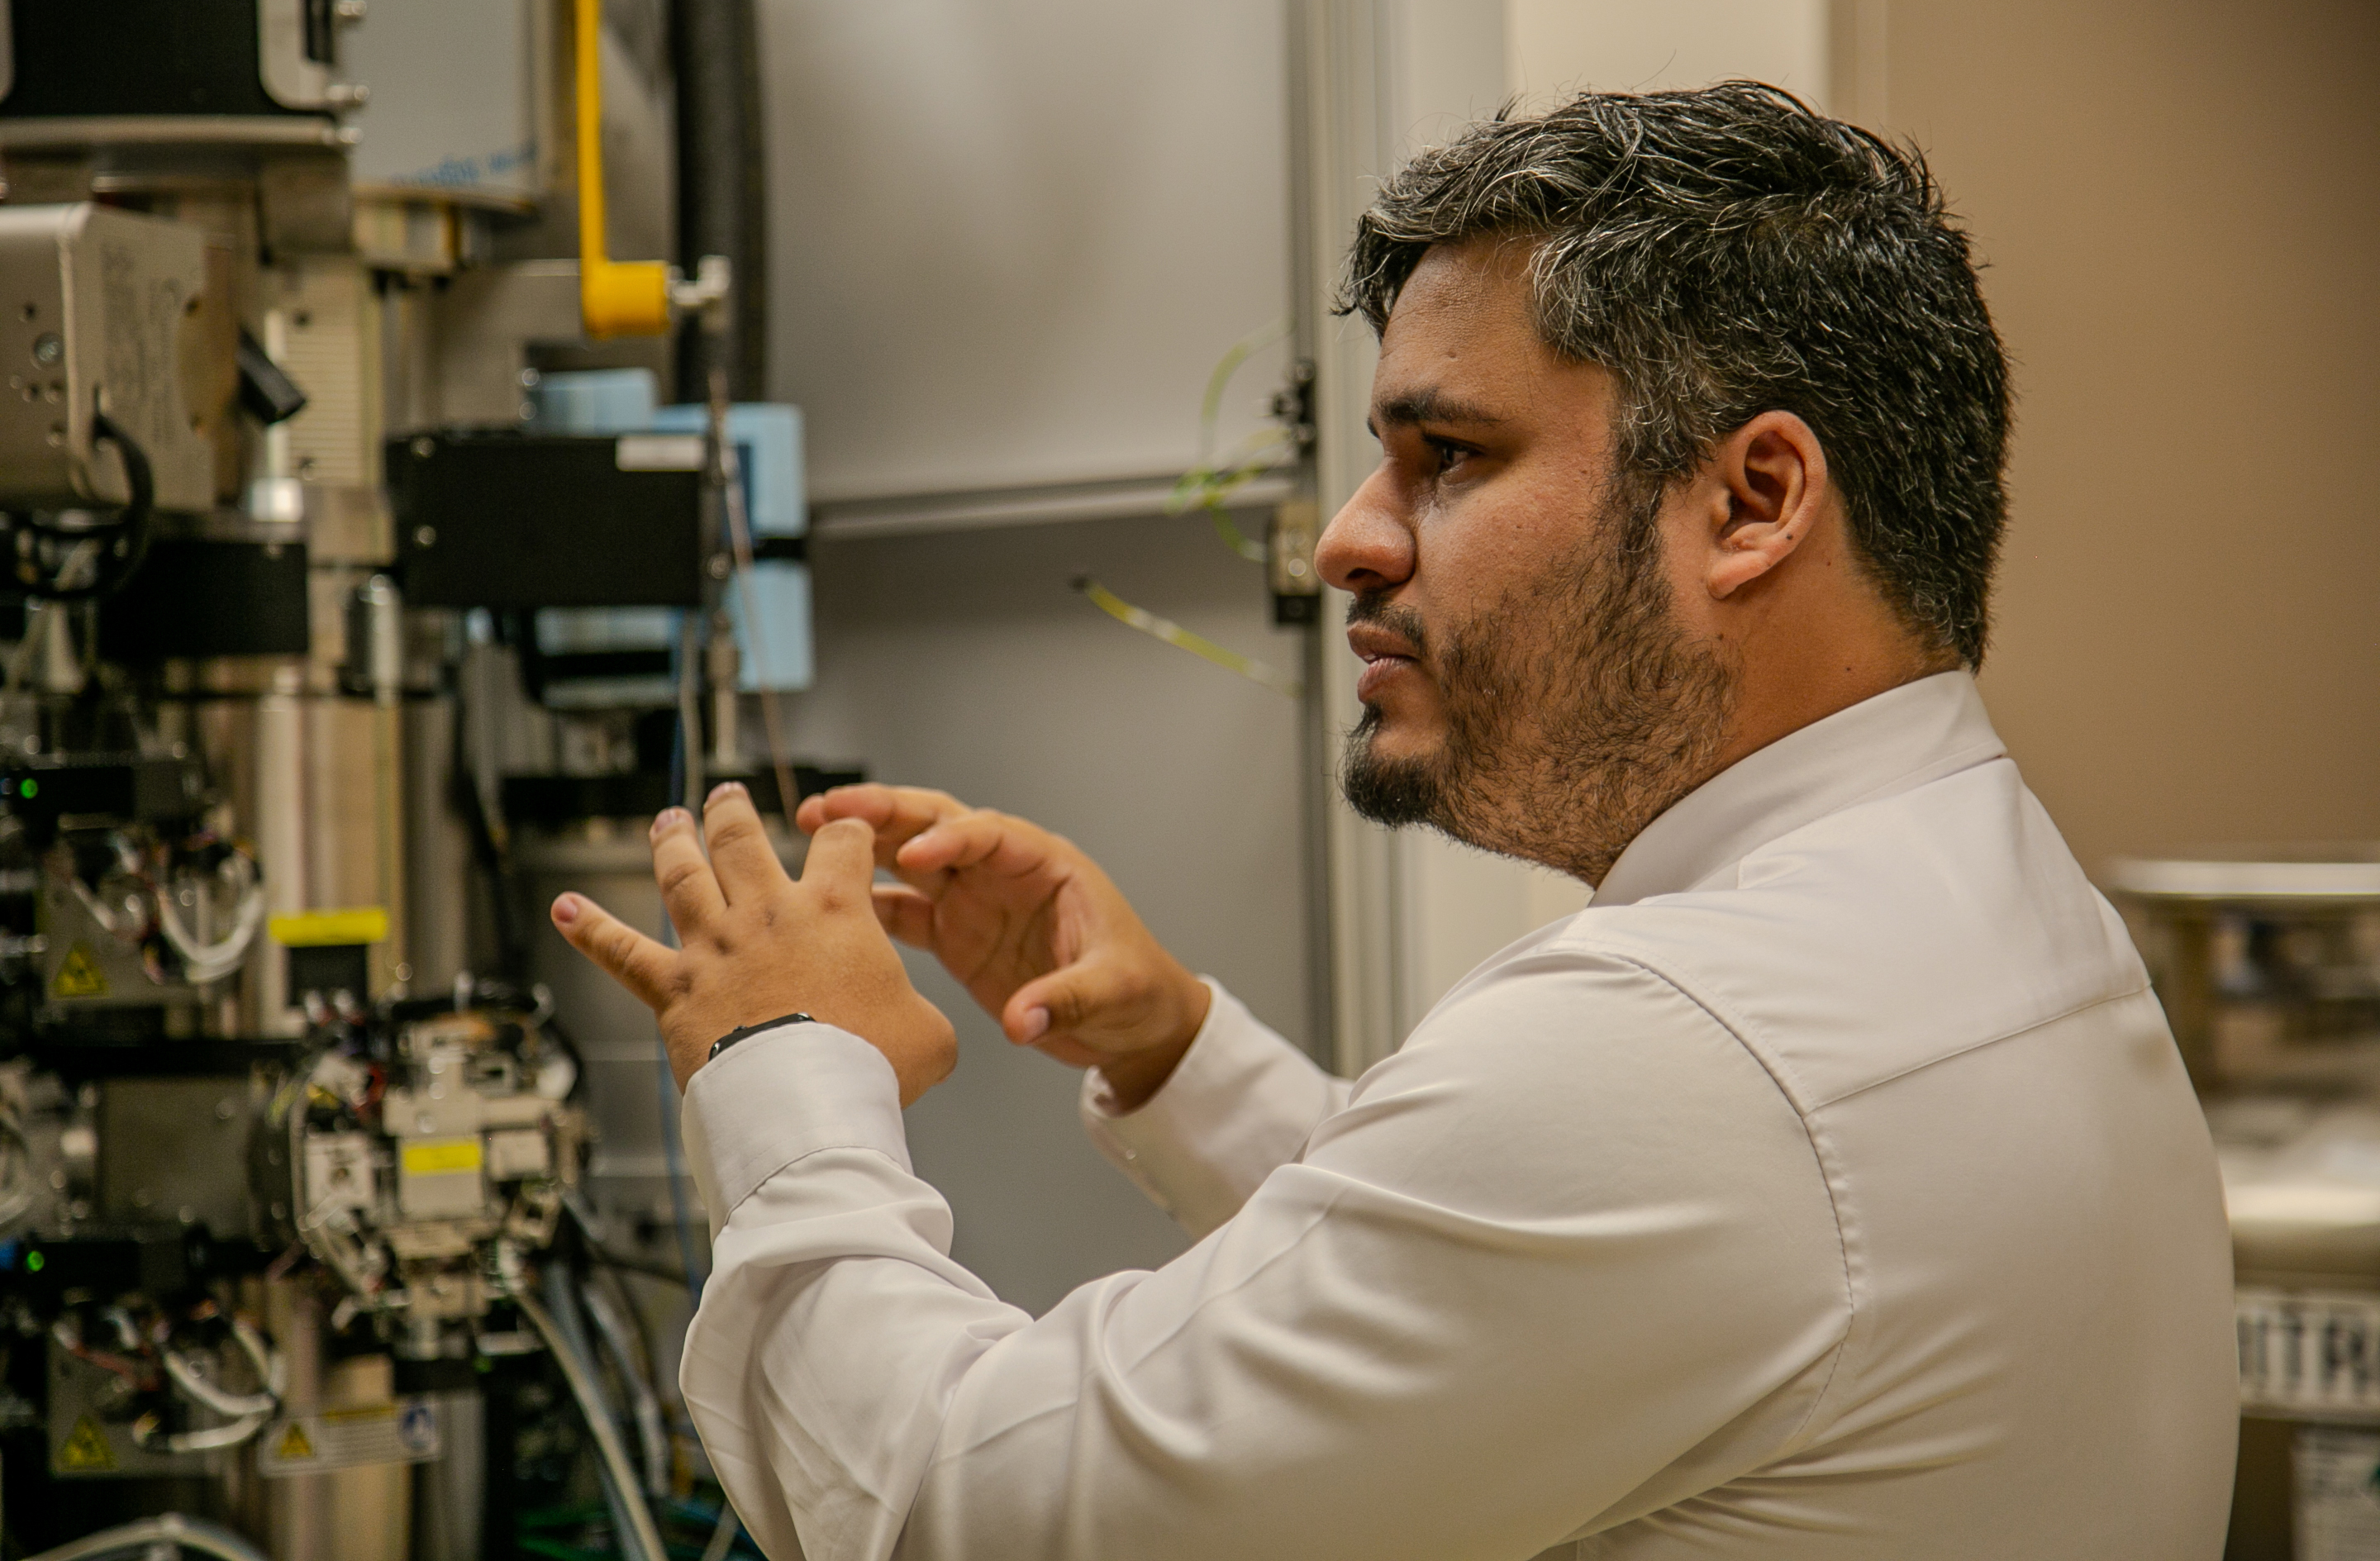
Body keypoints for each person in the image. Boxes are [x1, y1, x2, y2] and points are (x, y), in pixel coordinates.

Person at [549, 84, 2236, 1559]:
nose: (1347, 542)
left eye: (1448, 454)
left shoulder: (1692, 1048)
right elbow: (1580, 1290)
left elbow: (960, 1512)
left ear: (1753, 499)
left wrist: (786, 1070)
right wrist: (1181, 1055)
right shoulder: (1973, 894)